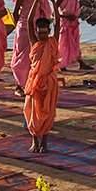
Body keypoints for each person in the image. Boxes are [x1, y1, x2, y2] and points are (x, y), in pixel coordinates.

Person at [10, 0, 52, 92]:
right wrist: (17, 26)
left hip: (38, 24)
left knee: (35, 55)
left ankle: (32, 82)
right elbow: (16, 10)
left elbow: (45, 7)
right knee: (22, 55)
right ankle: (19, 84)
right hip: (24, 24)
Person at [23, 15, 62, 153]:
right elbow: (28, 21)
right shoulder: (34, 42)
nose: (42, 36)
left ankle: (44, 142)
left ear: (49, 31)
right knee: (31, 111)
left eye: (45, 33)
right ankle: (34, 141)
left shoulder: (52, 41)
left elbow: (58, 22)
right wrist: (36, 1)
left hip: (49, 82)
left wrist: (53, 1)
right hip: (34, 82)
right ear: (36, 31)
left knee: (48, 112)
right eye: (39, 33)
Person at [50, 0, 85, 71]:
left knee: (75, 43)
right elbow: (54, 13)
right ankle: (62, 64)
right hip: (65, 25)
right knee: (64, 45)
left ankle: (80, 62)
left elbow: (77, 9)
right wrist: (64, 17)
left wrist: (74, 16)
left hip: (74, 23)